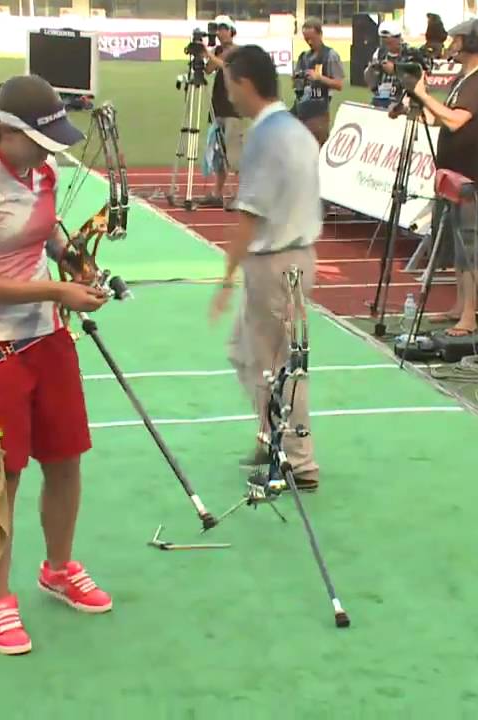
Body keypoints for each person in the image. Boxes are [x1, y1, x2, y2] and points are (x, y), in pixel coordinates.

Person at [0, 74, 114, 656]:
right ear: (10, 130)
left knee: (65, 458)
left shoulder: (42, 170)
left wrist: (75, 262)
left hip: (45, 338)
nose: (53, 150)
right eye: (44, 139)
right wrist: (56, 291)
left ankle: (58, 568)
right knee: (3, 478)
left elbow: (50, 236)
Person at [210, 45, 322, 490]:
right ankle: (271, 434)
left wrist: (225, 278)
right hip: (293, 256)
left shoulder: (265, 136)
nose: (227, 93)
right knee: (245, 353)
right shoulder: (294, 129)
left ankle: (298, 459)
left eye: (229, 83)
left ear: (244, 83)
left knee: (279, 365)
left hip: (274, 261)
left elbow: (250, 212)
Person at [405, 18, 478, 337]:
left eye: (457, 40)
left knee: (470, 245)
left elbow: (456, 120)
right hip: (453, 173)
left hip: (469, 176)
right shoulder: (464, 77)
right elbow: (440, 119)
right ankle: (460, 306)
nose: (452, 44)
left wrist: (424, 96)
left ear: (470, 42)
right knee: (459, 245)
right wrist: (416, 102)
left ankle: (469, 315)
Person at [203, 15, 242, 207]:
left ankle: (240, 196)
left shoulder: (236, 51)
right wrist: (207, 54)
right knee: (218, 155)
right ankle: (217, 193)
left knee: (234, 155)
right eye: (217, 28)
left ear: (231, 30)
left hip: (232, 108)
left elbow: (226, 67)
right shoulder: (217, 50)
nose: (219, 32)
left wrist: (209, 55)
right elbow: (209, 70)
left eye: (223, 28)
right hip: (217, 106)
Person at [291, 18, 345, 145]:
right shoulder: (304, 56)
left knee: (316, 150)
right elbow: (297, 86)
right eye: (306, 39)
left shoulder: (330, 55)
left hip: (319, 113)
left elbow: (339, 84)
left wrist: (319, 78)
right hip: (301, 110)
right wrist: (296, 79)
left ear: (320, 35)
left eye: (312, 38)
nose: (309, 42)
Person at [365, 20, 404, 110]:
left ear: (398, 38)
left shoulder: (409, 53)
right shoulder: (379, 53)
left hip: (401, 100)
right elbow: (370, 81)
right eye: (384, 42)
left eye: (389, 43)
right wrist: (371, 70)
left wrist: (395, 70)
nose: (386, 46)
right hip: (381, 99)